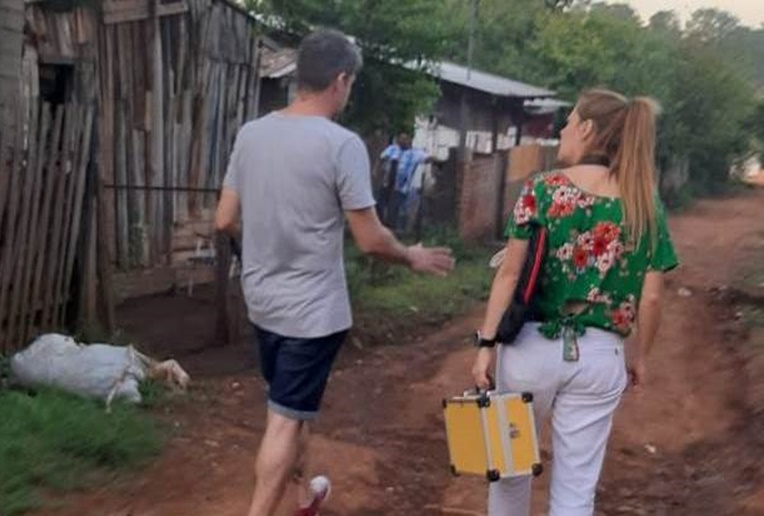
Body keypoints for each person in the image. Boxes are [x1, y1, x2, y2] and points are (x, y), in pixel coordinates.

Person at [214, 29, 455, 516]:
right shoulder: (340, 144)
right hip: (312, 314)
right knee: (282, 419)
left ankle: (305, 498)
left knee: (290, 406)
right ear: (340, 80)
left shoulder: (252, 133)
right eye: (351, 83)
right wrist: (410, 255)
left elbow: (223, 219)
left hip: (261, 300)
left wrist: (262, 250)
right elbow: (369, 239)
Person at [469, 89, 679, 516]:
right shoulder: (644, 203)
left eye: (568, 122)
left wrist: (485, 344)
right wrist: (642, 357)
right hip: (601, 358)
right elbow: (652, 296)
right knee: (576, 491)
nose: (562, 130)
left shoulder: (542, 191)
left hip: (529, 351)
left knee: (509, 475)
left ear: (586, 129)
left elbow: (509, 274)